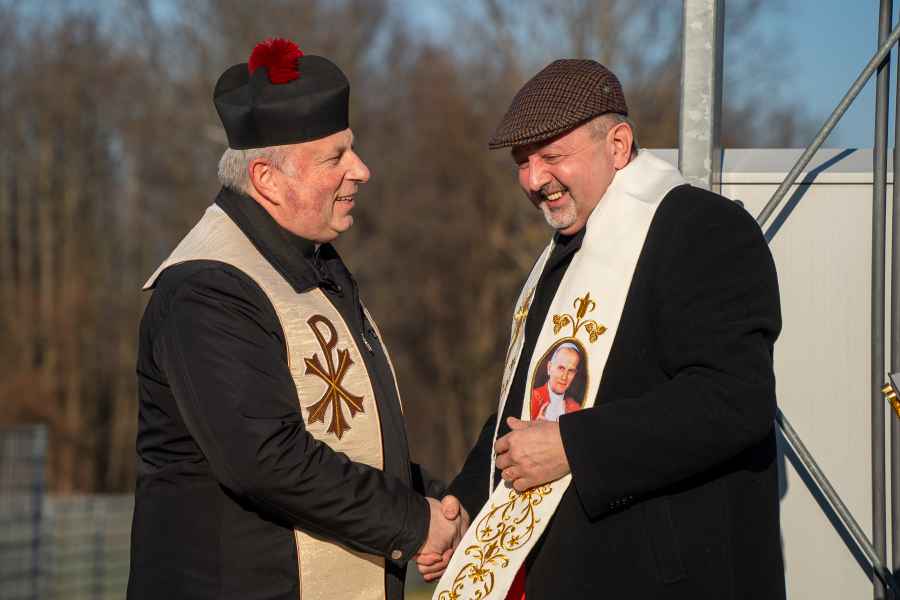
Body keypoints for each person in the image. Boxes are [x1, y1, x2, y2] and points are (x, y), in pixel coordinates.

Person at [422, 59, 784, 599]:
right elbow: (523, 408)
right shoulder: (563, 253)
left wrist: (574, 446)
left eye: (552, 157)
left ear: (618, 145)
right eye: (522, 162)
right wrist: (465, 506)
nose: (534, 180)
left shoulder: (705, 228)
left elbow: (734, 399)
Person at [128, 38, 464, 600]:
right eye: (335, 157)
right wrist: (413, 520)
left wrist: (436, 500)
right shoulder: (207, 288)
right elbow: (266, 458)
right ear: (266, 177)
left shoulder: (311, 264)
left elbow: (349, 437)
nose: (362, 170)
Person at [531, 342, 582, 421]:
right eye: (561, 368)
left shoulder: (575, 408)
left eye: (571, 371)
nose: (564, 377)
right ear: (549, 368)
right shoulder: (532, 398)